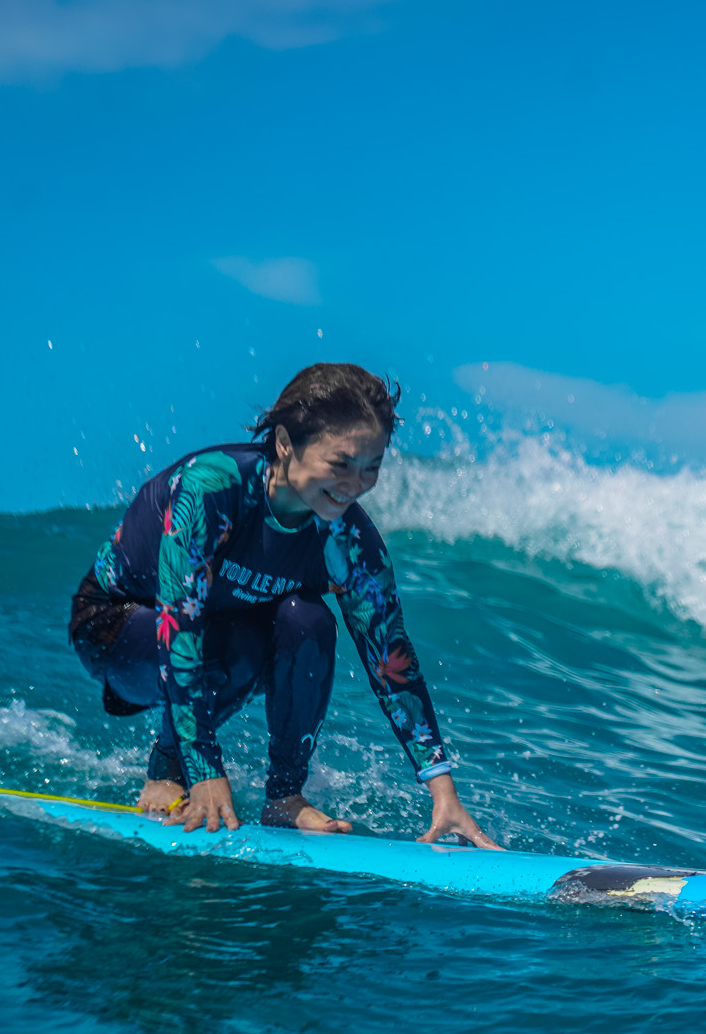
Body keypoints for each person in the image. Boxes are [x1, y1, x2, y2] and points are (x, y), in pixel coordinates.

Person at [68, 362, 497, 848]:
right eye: (341, 464)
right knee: (226, 643)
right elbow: (179, 625)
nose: (356, 484)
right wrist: (201, 768)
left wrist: (443, 792)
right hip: (118, 628)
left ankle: (285, 797)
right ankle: (165, 772)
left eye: (371, 467)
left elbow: (391, 662)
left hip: (221, 634)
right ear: (285, 444)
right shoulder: (212, 489)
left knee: (310, 620)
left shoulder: (348, 541)